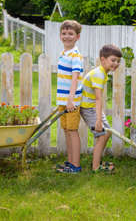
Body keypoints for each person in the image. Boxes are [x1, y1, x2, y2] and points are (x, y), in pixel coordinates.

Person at [80, 44, 122, 172]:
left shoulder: (102, 73)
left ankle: (97, 162)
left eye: (118, 61)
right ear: (103, 59)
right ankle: (96, 167)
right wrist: (98, 120)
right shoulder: (99, 74)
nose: (116, 64)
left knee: (107, 132)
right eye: (113, 60)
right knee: (102, 135)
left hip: (92, 106)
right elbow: (98, 99)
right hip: (88, 107)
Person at [55, 20, 84, 174]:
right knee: (66, 129)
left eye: (70, 34)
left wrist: (70, 99)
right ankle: (70, 162)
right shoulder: (63, 54)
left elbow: (75, 78)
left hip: (71, 101)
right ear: (60, 36)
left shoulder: (75, 56)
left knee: (72, 131)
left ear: (77, 37)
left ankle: (76, 165)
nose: (67, 36)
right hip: (63, 100)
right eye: (64, 33)